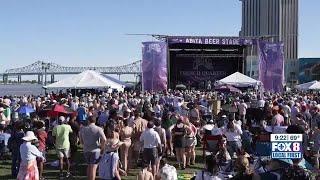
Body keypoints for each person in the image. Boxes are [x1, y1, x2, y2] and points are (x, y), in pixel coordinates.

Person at [79, 115, 107, 180]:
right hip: (95, 150)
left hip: (86, 149)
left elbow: (81, 141)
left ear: (88, 121)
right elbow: (104, 139)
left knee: (89, 166)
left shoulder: (83, 129)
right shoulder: (98, 129)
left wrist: (84, 144)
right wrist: (102, 147)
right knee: (93, 168)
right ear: (95, 121)